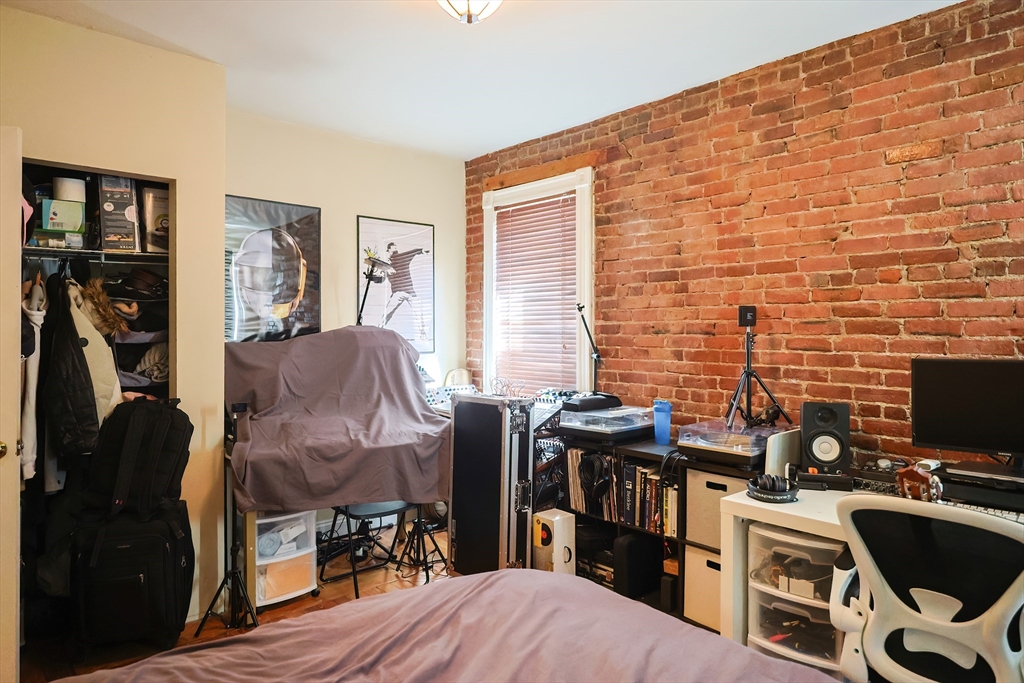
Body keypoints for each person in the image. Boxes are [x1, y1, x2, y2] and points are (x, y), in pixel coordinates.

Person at [383, 242, 429, 326]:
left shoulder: (392, 263)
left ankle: (380, 328)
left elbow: (411, 252)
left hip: (402, 292)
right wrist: (421, 251)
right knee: (419, 314)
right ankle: (423, 335)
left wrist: (421, 251)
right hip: (406, 292)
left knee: (387, 313)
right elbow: (412, 252)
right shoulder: (392, 263)